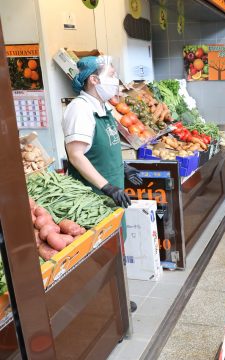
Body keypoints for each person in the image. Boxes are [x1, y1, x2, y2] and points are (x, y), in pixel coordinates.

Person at [62, 55, 142, 311]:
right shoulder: (80, 108)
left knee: (115, 246)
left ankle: (116, 297)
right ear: (94, 80)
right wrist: (107, 186)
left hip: (112, 194)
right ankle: (105, 304)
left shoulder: (103, 107)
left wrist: (124, 168)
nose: (116, 81)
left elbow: (105, 148)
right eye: (112, 75)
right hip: (93, 198)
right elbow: (76, 155)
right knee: (100, 253)